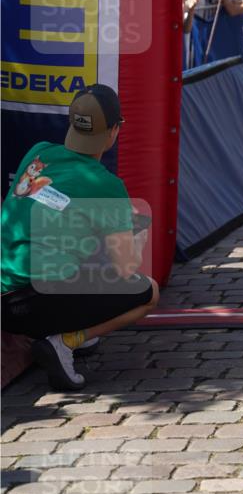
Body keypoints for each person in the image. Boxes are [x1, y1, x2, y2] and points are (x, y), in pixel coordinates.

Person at [1, 86, 159, 390]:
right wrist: (137, 236)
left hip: (5, 294)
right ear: (114, 131)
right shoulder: (107, 185)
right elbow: (127, 268)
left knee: (78, 253)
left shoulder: (38, 152)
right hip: (32, 305)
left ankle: (69, 329)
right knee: (148, 292)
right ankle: (66, 341)